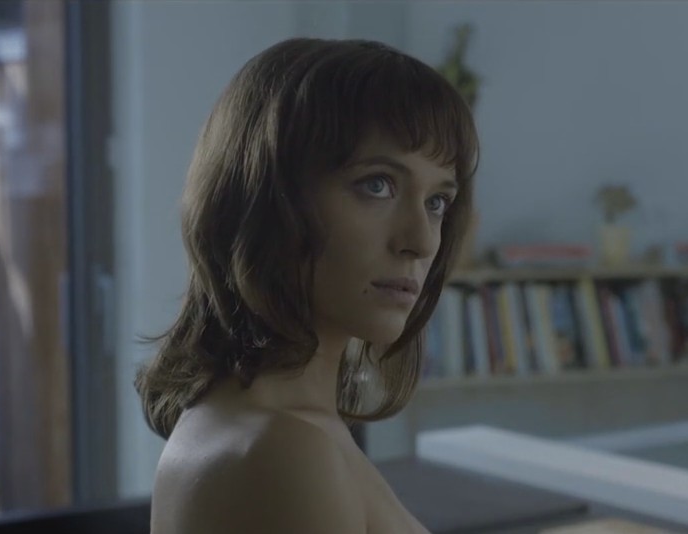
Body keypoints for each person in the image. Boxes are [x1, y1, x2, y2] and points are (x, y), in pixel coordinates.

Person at [134, 37, 478, 534]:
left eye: (437, 202)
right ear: (266, 200)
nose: (421, 241)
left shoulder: (278, 423)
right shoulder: (285, 450)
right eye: (377, 185)